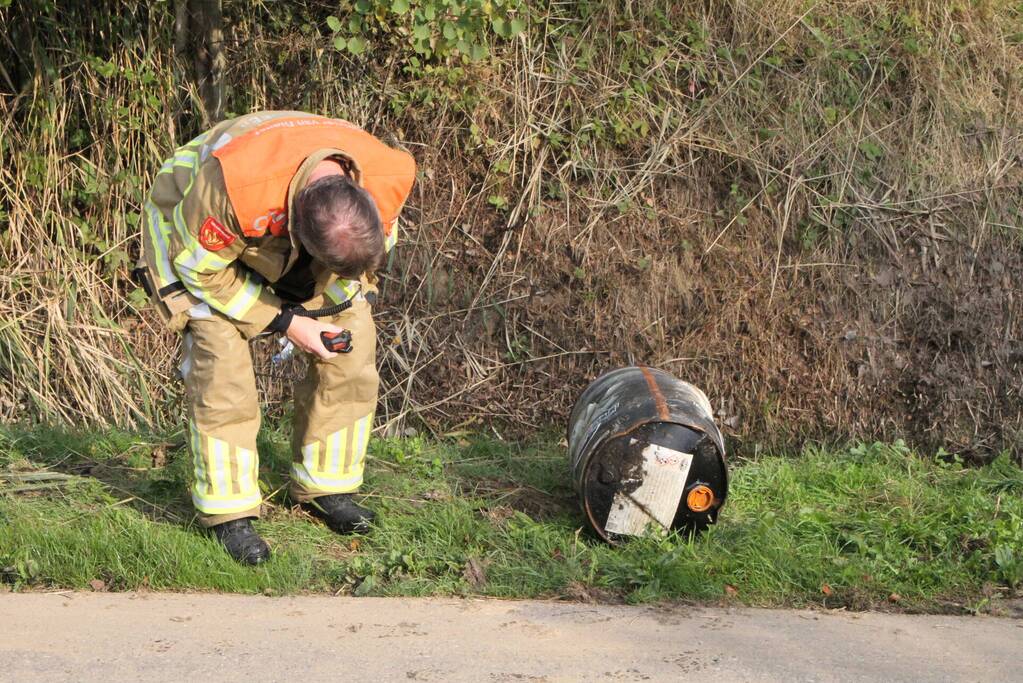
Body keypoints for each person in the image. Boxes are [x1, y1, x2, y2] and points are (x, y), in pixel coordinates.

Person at [134, 111, 416, 564]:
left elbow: (359, 267)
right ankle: (228, 512)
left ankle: (328, 487)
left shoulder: (384, 181)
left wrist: (325, 319)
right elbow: (202, 271)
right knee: (220, 362)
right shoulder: (232, 186)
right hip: (196, 239)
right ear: (294, 229)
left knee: (353, 340)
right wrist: (289, 323)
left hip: (290, 235)